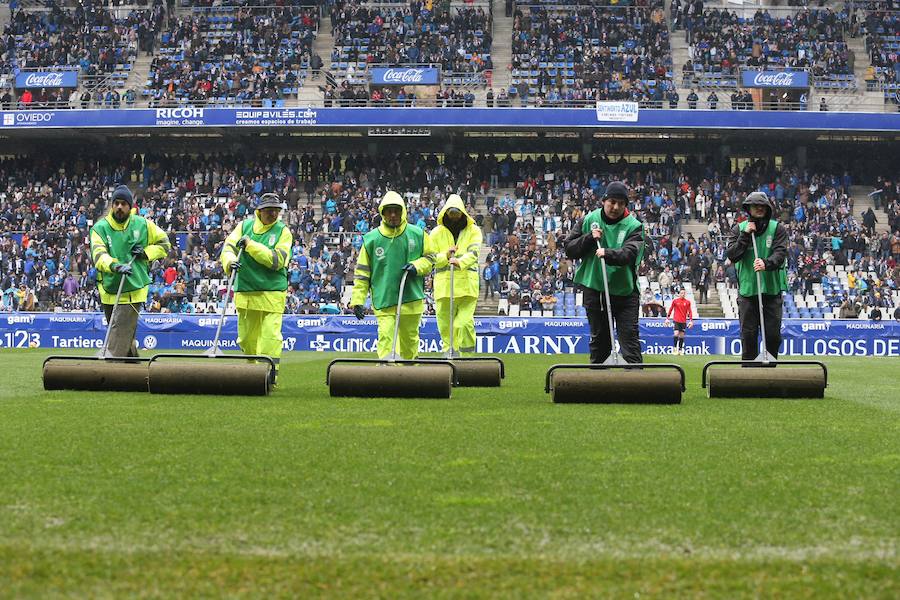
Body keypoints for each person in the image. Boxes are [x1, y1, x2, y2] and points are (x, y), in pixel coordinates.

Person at [565, 181, 646, 363]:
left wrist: (607, 253)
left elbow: (629, 254)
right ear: (604, 201)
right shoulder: (589, 220)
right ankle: (597, 385)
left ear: (626, 205)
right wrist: (588, 239)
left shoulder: (635, 226)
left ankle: (637, 386)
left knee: (630, 340)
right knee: (599, 342)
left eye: (621, 203)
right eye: (612, 202)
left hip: (626, 292)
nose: (616, 207)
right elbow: (569, 248)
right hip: (595, 290)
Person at [350, 191, 436, 359]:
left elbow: (431, 258)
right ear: (383, 213)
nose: (393, 215)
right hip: (384, 299)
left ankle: (410, 379)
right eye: (389, 211)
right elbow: (362, 274)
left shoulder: (418, 234)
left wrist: (416, 266)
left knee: (410, 343)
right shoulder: (371, 239)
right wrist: (357, 300)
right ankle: (386, 378)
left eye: (396, 210)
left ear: (403, 211)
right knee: (386, 339)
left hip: (411, 299)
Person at [220, 193, 293, 384]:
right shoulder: (244, 227)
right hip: (246, 291)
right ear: (259, 211)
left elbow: (276, 261)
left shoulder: (283, 232)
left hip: (272, 292)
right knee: (245, 340)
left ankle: (269, 375)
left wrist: (250, 245)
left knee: (270, 337)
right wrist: (230, 262)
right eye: (269, 210)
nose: (273, 214)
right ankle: (252, 374)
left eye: (276, 211)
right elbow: (228, 248)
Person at [90, 185, 171, 357]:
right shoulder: (99, 228)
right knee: (124, 336)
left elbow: (165, 244)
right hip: (108, 289)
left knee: (118, 334)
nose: (119, 207)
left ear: (131, 206)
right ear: (112, 205)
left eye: (124, 204)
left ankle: (109, 372)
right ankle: (136, 372)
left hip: (134, 288)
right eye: (116, 203)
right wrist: (114, 265)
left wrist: (145, 253)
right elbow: (98, 255)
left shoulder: (143, 225)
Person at [725, 192, 788, 362]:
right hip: (748, 292)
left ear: (768, 208)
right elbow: (732, 255)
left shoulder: (778, 229)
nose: (759, 208)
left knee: (773, 336)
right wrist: (745, 235)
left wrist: (766, 263)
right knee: (749, 337)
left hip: (771, 291)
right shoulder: (738, 229)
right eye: (755, 205)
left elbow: (781, 253)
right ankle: (748, 378)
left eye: (762, 206)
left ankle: (769, 375)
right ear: (749, 208)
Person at [430, 194, 483, 355]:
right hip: (444, 287)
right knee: (445, 326)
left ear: (462, 213)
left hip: (467, 286)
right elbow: (431, 258)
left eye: (457, 213)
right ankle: (449, 354)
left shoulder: (473, 230)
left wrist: (460, 261)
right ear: (445, 213)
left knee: (464, 323)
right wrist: (446, 256)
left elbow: (474, 252)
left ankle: (467, 355)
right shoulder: (436, 232)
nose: (454, 217)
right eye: (451, 213)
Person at [664, 287, 694, 355]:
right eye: (681, 293)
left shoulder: (687, 302)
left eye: (684, 293)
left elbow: (690, 311)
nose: (683, 294)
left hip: (683, 321)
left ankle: (680, 350)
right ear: (679, 294)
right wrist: (667, 318)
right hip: (676, 320)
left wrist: (691, 320)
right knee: (676, 334)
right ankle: (675, 349)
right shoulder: (675, 301)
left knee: (681, 336)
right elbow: (671, 309)